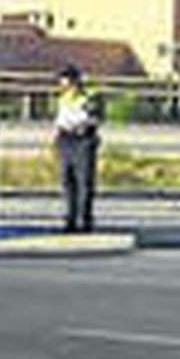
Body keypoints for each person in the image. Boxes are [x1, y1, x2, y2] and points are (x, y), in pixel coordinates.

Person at [54, 65, 101, 233]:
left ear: (74, 80)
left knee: (83, 182)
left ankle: (84, 220)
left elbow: (95, 119)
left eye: (64, 79)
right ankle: (70, 218)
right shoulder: (62, 98)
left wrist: (83, 126)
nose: (61, 83)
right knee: (67, 181)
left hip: (82, 140)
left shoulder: (88, 97)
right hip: (65, 139)